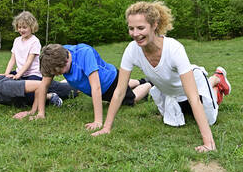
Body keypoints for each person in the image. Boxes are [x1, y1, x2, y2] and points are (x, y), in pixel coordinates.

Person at [92, 1, 231, 153]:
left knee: (210, 119)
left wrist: (208, 143)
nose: (135, 34)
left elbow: (193, 97)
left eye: (140, 28)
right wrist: (106, 127)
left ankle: (216, 79)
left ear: (154, 25)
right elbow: (119, 91)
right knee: (178, 118)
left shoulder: (174, 49)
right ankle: (213, 83)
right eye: (131, 28)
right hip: (171, 92)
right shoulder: (132, 50)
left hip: (193, 86)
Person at [13, 43, 153, 130]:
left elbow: (96, 87)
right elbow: (43, 86)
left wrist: (98, 121)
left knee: (131, 99)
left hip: (110, 82)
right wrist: (38, 113)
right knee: (125, 86)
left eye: (60, 71)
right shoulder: (54, 58)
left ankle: (148, 83)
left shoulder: (84, 53)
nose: (59, 74)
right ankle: (136, 82)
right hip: (100, 87)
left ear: (66, 60)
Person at [3, 11, 77, 102]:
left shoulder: (34, 41)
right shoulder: (16, 41)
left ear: (31, 27)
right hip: (20, 73)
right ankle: (59, 85)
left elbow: (29, 62)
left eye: (24, 27)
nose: (21, 30)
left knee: (31, 96)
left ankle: (51, 96)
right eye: (19, 27)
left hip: (33, 74)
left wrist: (18, 75)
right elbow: (12, 59)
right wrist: (6, 74)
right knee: (7, 87)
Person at [0, 71, 77, 109]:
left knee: (75, 90)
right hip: (25, 86)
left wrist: (32, 112)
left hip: (38, 84)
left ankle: (52, 95)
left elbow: (41, 85)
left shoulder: (5, 88)